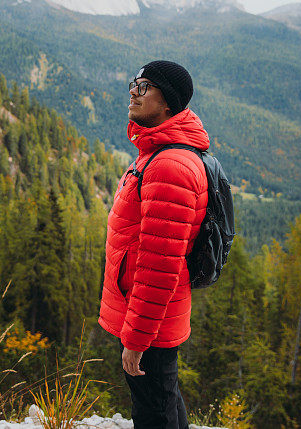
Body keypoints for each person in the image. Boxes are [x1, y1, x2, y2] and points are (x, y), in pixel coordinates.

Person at [98, 60, 209, 428]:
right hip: (151, 314)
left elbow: (161, 265)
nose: (133, 91)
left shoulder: (168, 165)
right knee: (164, 399)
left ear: (168, 103)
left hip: (150, 320)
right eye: (135, 83)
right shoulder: (157, 152)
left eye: (145, 87)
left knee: (152, 413)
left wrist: (137, 337)